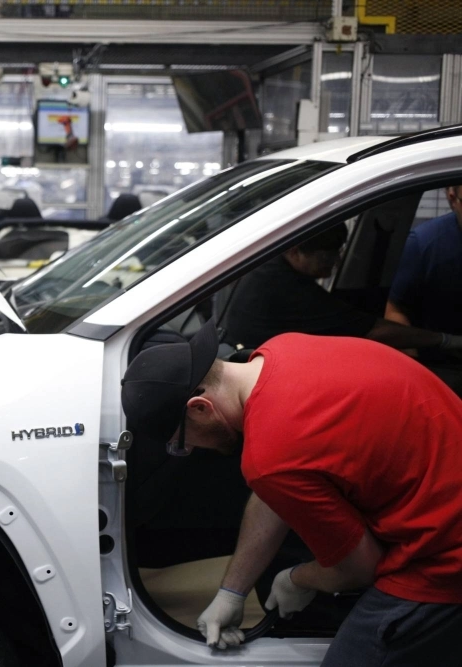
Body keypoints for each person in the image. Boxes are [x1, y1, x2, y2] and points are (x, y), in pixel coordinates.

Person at [120, 321, 462, 665]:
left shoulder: (272, 455)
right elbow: (276, 491)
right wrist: (232, 591)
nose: (191, 450)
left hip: (445, 559)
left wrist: (298, 579)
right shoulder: (283, 348)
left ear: (200, 408)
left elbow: (360, 567)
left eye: (182, 442)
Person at [223, 224, 462, 358]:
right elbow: (373, 331)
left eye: (337, 252)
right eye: (326, 255)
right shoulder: (283, 286)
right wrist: (446, 340)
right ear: (296, 251)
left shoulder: (270, 267)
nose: (335, 261)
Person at [385, 185, 462, 386]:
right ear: (452, 199)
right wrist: (415, 374)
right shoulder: (424, 244)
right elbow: (395, 311)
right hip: (444, 368)